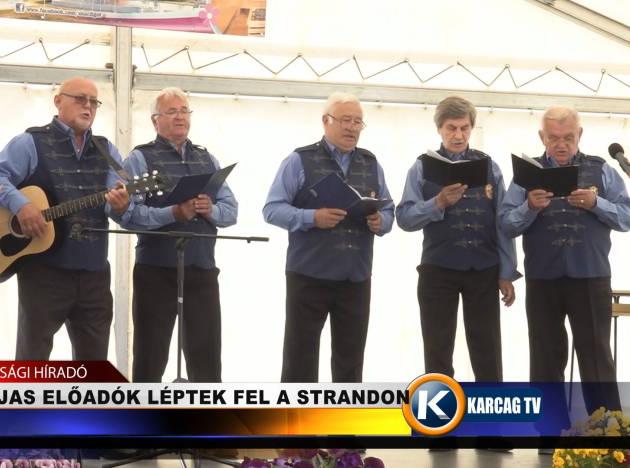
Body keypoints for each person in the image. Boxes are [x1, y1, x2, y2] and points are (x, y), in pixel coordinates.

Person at [0, 77, 132, 361]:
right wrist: (22, 205)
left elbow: (120, 203)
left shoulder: (107, 150)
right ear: (58, 100)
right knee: (32, 362)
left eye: (94, 102)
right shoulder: (30, 142)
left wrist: (122, 205)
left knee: (94, 370)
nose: (88, 106)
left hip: (94, 273)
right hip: (43, 272)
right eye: (80, 99)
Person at [499, 106, 629, 415]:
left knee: (596, 355)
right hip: (544, 277)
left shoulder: (603, 170)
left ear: (579, 135)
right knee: (545, 356)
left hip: (591, 275)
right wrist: (528, 207)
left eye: (568, 137)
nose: (561, 144)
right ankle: (549, 433)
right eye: (554, 138)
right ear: (542, 137)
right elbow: (505, 223)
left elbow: (626, 216)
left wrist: (597, 203)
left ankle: (606, 433)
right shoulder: (526, 176)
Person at [263, 92, 394, 383]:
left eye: (358, 122)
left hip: (355, 277)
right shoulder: (299, 160)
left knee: (350, 365)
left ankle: (342, 425)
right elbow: (272, 210)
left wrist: (381, 221)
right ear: (326, 121)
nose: (352, 127)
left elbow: (390, 210)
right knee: (300, 361)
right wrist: (312, 217)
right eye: (345, 120)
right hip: (309, 275)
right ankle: (297, 425)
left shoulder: (372, 164)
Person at [396, 96, 519, 382]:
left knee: (487, 351)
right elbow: (404, 218)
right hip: (438, 270)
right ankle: (443, 423)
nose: (458, 135)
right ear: (439, 128)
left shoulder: (490, 167)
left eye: (464, 128)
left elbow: (502, 222)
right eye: (451, 128)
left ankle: (491, 425)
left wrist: (506, 272)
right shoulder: (421, 167)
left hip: (483, 270)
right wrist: (437, 203)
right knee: (438, 354)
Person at [121, 87, 238, 383]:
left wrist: (210, 209)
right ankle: (144, 424)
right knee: (150, 358)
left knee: (208, 362)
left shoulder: (206, 158)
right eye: (171, 112)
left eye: (184, 111)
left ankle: (209, 426)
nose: (180, 117)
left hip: (201, 271)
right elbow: (129, 214)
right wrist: (172, 213)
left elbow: (232, 210)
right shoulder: (140, 159)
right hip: (156, 272)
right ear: (154, 120)